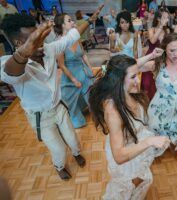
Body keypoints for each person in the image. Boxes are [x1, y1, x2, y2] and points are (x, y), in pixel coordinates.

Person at [0, 5, 103, 180]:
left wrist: (92, 18)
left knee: (72, 139)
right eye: (34, 39)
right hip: (41, 117)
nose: (41, 41)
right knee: (58, 149)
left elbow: (72, 36)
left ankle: (77, 153)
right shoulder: (7, 62)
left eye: (40, 36)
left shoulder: (48, 49)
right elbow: (11, 74)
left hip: (59, 107)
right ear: (19, 43)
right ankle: (59, 166)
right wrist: (27, 49)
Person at [88, 54, 170, 199]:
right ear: (119, 79)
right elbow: (119, 156)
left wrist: (152, 56)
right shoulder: (112, 110)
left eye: (137, 75)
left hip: (137, 146)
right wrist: (150, 141)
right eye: (133, 77)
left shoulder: (129, 91)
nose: (137, 81)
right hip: (126, 154)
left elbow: (133, 66)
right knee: (124, 189)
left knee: (140, 180)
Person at [54, 13, 94, 129]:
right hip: (70, 75)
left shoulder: (75, 37)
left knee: (92, 95)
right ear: (62, 25)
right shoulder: (59, 43)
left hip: (83, 71)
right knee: (77, 119)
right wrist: (74, 79)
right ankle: (76, 116)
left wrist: (90, 69)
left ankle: (97, 116)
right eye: (69, 21)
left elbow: (84, 55)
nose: (73, 22)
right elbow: (61, 65)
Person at [141, 8, 170, 100]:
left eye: (168, 18)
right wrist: (161, 26)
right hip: (151, 57)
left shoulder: (167, 31)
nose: (167, 20)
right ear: (158, 19)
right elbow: (153, 41)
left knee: (158, 84)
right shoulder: (152, 29)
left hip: (162, 59)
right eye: (165, 18)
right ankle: (146, 103)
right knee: (147, 83)